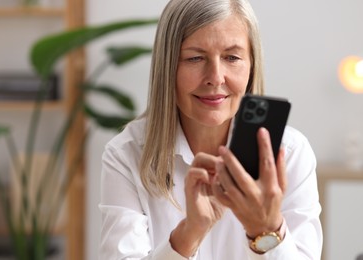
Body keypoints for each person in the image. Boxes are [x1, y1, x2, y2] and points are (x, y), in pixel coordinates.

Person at [99, 0, 323, 259]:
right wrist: (190, 232)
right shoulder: (126, 155)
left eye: (232, 57)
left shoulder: (291, 153)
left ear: (251, 66)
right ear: (167, 67)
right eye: (195, 58)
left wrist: (265, 230)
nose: (215, 77)